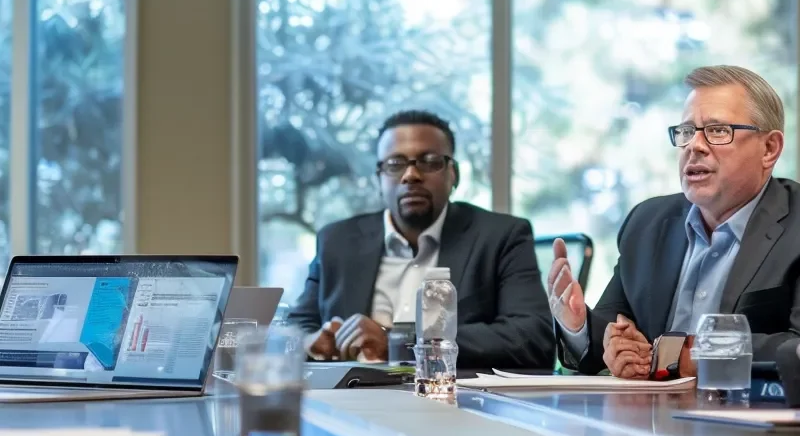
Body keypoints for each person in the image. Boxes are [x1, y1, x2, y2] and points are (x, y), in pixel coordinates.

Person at [548, 65, 800, 378]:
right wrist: (580, 327)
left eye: (718, 131)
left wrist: (701, 354)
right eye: (686, 132)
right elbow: (617, 332)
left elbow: (795, 348)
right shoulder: (648, 223)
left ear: (769, 148)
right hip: (649, 419)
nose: (694, 145)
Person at [288, 110, 555, 370]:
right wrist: (312, 342)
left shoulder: (499, 237)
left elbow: (533, 337)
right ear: (378, 179)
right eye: (395, 164)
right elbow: (293, 329)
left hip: (453, 401)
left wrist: (398, 343)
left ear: (453, 175)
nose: (411, 175)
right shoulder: (337, 240)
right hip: (353, 398)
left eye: (429, 161)